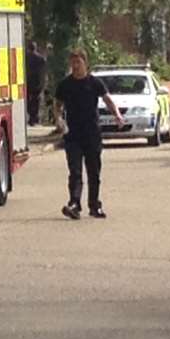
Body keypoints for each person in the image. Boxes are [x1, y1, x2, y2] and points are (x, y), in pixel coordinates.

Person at [53, 49, 126, 220]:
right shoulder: (65, 84)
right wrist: (58, 120)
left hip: (92, 134)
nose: (75, 66)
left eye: (78, 63)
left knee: (93, 172)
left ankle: (94, 206)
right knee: (75, 171)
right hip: (73, 135)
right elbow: (57, 104)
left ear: (85, 63)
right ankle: (74, 204)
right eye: (73, 63)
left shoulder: (94, 83)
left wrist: (117, 115)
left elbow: (107, 99)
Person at [25, 41, 48, 125]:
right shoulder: (41, 59)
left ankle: (31, 116)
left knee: (28, 100)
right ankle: (34, 118)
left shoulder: (25, 57)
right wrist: (43, 83)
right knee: (35, 101)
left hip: (27, 82)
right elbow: (43, 72)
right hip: (37, 83)